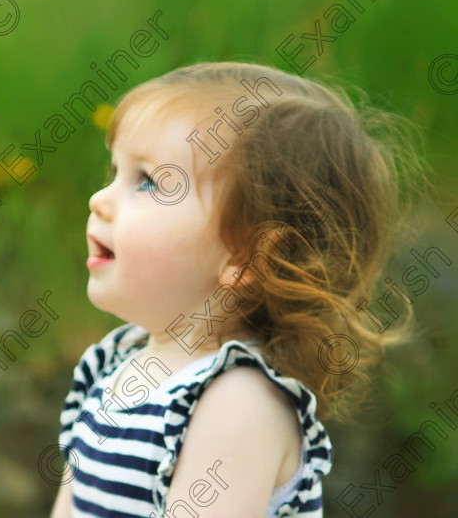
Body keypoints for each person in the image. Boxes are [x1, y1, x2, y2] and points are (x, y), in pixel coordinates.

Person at [50, 62, 426, 517]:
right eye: (114, 172)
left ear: (246, 257)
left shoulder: (238, 402)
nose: (99, 200)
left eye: (148, 181)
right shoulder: (113, 364)